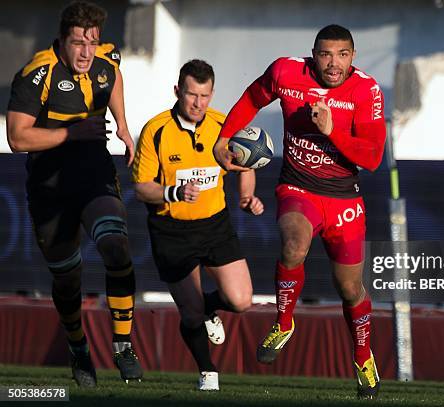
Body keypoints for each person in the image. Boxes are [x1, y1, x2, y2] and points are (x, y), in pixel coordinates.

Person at [213, 24, 386, 399]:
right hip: (298, 187)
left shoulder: (367, 91)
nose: (333, 63)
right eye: (325, 54)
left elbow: (372, 157)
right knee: (293, 244)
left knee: (350, 288)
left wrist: (331, 131)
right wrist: (225, 136)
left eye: (342, 55)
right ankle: (284, 322)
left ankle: (361, 356)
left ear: (353, 57)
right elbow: (253, 97)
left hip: (344, 200)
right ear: (313, 53)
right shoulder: (287, 72)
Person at [5, 1, 143, 387]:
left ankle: (122, 345)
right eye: (79, 43)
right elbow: (17, 137)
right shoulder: (36, 73)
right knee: (67, 279)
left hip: (93, 174)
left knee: (116, 247)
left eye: (92, 42)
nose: (87, 52)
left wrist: (124, 125)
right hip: (50, 188)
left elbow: (113, 74)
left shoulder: (103, 57)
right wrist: (71, 133)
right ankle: (79, 348)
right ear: (62, 40)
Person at [132, 59, 263, 391]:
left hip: (214, 226)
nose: (198, 103)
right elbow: (141, 187)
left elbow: (246, 164)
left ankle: (209, 307)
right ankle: (208, 372)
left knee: (241, 301)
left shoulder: (223, 124)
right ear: (178, 91)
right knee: (189, 315)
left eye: (205, 96)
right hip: (170, 230)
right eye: (191, 95)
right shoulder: (155, 129)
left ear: (212, 94)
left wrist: (247, 198)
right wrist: (172, 192)